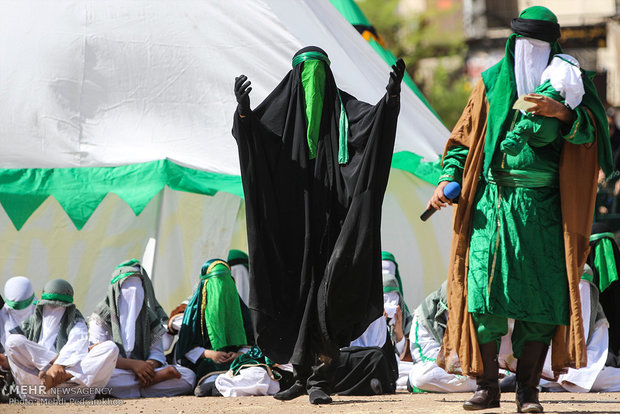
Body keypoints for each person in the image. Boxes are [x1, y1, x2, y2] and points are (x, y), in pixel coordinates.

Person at [427, 6, 613, 413]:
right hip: (491, 206)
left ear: (553, 46)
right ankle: (488, 385)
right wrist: (447, 178)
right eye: (526, 43)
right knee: (482, 294)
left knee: (543, 301)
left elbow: (595, 134)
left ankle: (528, 392)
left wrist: (562, 112)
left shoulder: (570, 84)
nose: (531, 51)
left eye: (540, 44)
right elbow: (462, 140)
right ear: (513, 43)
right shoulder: (490, 84)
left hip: (545, 210)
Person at [232, 46, 405, 404]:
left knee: (327, 301)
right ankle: (300, 375)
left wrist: (391, 98)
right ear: (295, 78)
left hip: (335, 226)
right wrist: (244, 113)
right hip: (292, 231)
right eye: (307, 73)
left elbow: (372, 131)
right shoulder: (280, 115)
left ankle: (322, 381)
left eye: (320, 73)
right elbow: (255, 144)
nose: (313, 83)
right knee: (297, 298)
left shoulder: (344, 112)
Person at [89, 259, 195, 398]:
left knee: (189, 376)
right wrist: (133, 365)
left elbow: (157, 353)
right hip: (114, 370)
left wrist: (148, 367)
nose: (133, 297)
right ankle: (148, 384)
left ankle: (133, 386)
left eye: (138, 290)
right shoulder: (101, 315)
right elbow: (98, 355)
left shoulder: (149, 316)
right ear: (115, 291)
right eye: (127, 290)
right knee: (93, 375)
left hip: (145, 371)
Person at [5, 279, 118, 401]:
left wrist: (59, 365)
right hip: (37, 389)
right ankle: (59, 375)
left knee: (110, 348)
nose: (53, 310)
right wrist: (55, 364)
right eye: (49, 305)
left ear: (67, 308)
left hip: (75, 390)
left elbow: (76, 345)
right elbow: (16, 352)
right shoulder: (30, 324)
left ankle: (61, 376)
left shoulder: (76, 322)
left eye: (58, 307)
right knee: (13, 341)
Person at [175, 259, 250, 397]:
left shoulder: (240, 309)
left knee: (256, 372)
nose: (221, 289)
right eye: (217, 283)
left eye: (225, 282)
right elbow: (186, 346)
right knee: (206, 373)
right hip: (206, 360)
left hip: (238, 360)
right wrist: (211, 354)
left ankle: (220, 387)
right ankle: (218, 386)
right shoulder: (194, 311)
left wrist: (240, 353)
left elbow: (252, 341)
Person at [501, 54, 584, 156]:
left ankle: (512, 143)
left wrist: (560, 111)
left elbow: (588, 128)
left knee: (525, 127)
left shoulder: (560, 80)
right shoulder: (493, 78)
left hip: (549, 163)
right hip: (499, 169)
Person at [407, 281, 477, 393]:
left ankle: (482, 383)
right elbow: (430, 359)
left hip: (472, 368)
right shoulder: (424, 317)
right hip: (442, 368)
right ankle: (483, 384)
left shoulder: (477, 310)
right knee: (422, 377)